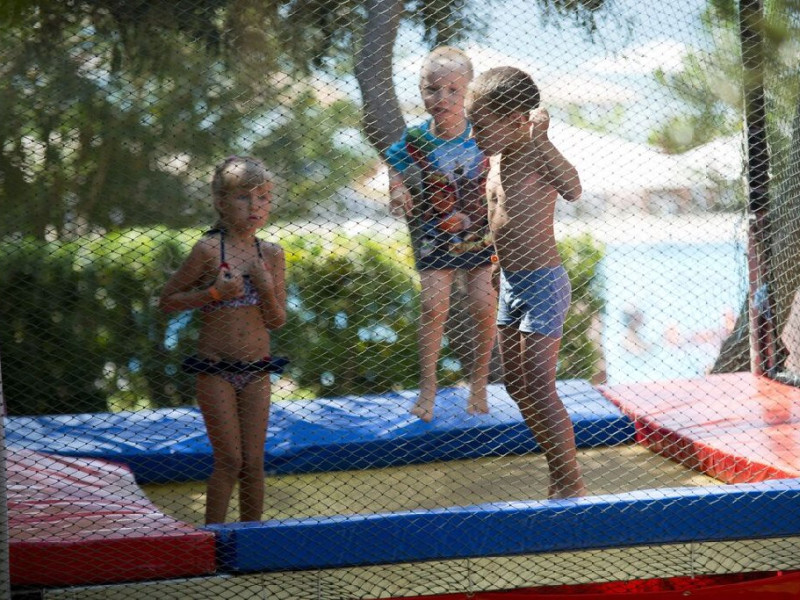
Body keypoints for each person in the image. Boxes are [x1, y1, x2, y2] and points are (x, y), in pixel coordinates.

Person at [466, 66, 587, 499]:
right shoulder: (497, 158)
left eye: (481, 126)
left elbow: (573, 189)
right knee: (517, 386)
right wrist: (498, 261)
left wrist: (544, 140)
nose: (473, 134)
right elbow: (502, 216)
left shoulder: (535, 151)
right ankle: (558, 473)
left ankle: (570, 483)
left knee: (539, 385)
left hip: (543, 285)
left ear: (517, 121)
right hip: (512, 283)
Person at [159, 156, 287, 524]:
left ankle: (252, 540)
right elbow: (167, 301)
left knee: (254, 462)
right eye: (244, 197)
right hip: (215, 369)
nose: (255, 206)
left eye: (263, 197)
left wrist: (265, 289)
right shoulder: (208, 250)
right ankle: (212, 539)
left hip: (257, 370)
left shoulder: (272, 254)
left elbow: (277, 321)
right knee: (230, 459)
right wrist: (213, 294)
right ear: (220, 202)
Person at [384, 46, 497, 422]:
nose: (442, 98)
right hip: (435, 233)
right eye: (433, 89)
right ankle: (428, 386)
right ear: (421, 90)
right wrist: (397, 188)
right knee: (433, 308)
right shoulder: (418, 139)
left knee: (484, 305)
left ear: (469, 93)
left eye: (453, 90)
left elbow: (505, 159)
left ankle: (479, 383)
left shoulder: (481, 133)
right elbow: (394, 161)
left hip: (480, 233)